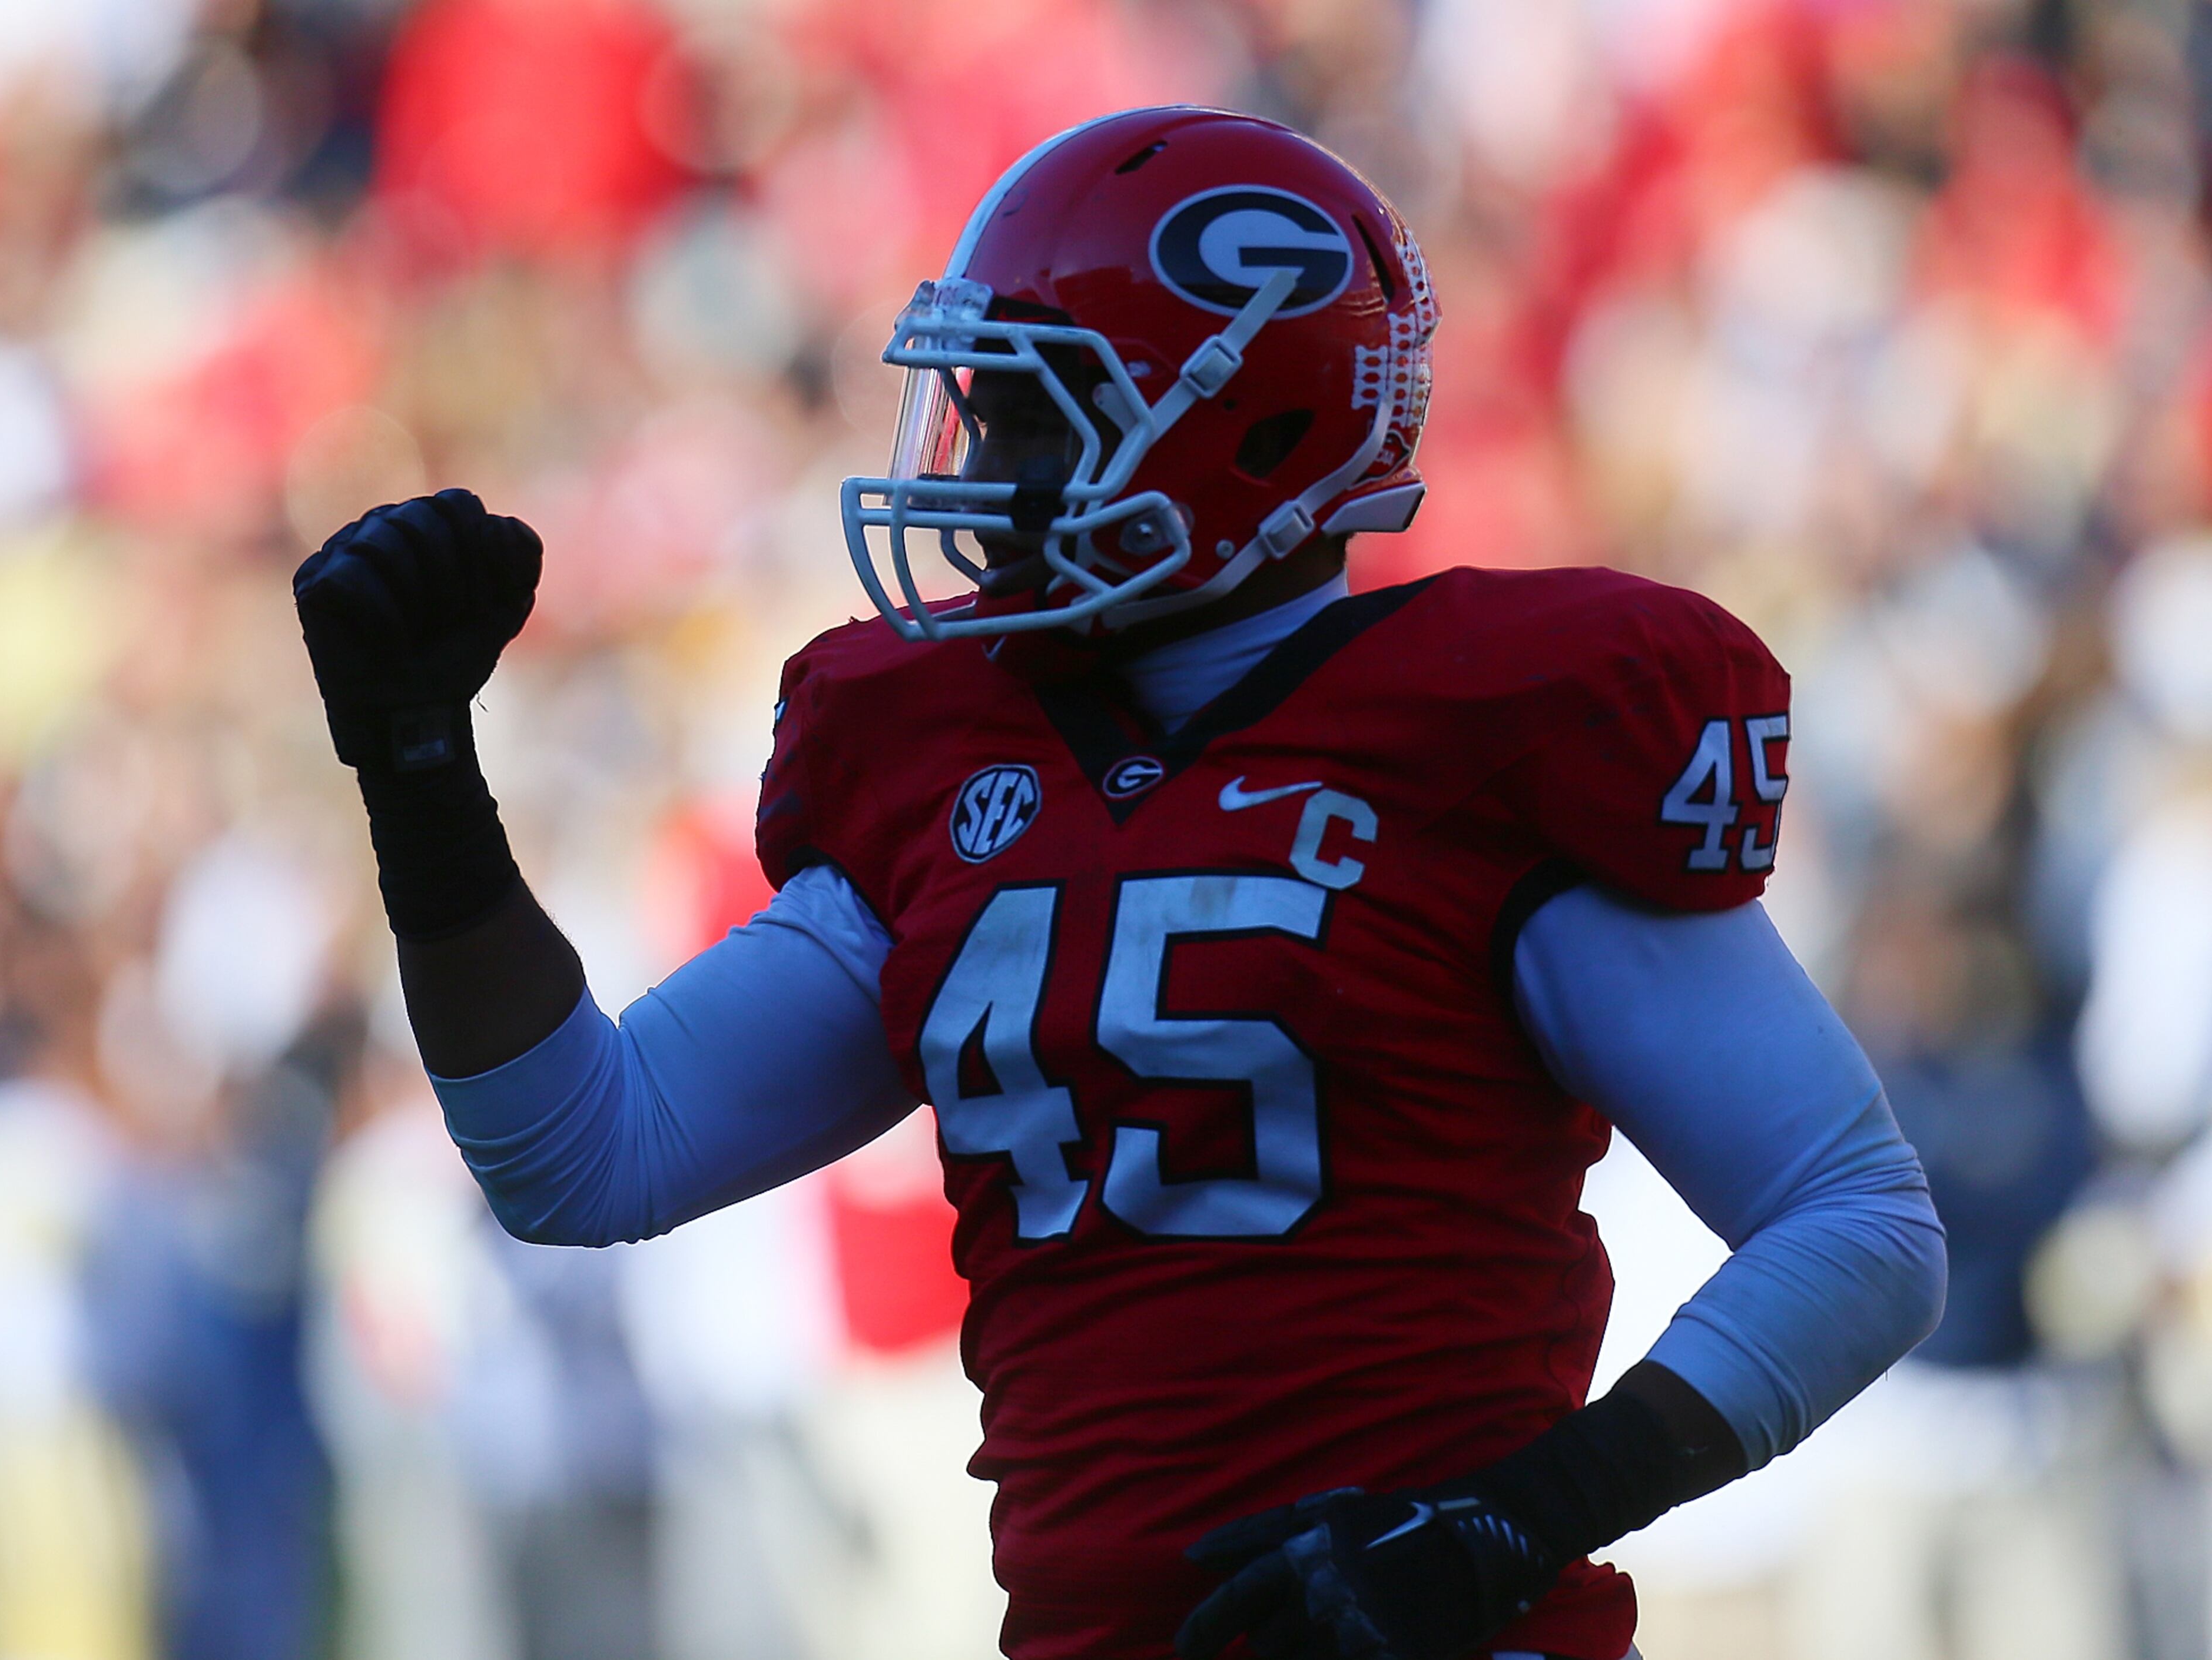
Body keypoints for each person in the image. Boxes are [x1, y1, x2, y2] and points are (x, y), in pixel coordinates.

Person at [293, 107, 1947, 1660]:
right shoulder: (941, 753)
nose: (976, 468)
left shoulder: (1485, 733)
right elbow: (585, 1150)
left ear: (1248, 416)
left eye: (1031, 412)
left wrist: (1508, 1520)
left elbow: (1858, 1221)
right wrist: (422, 777)